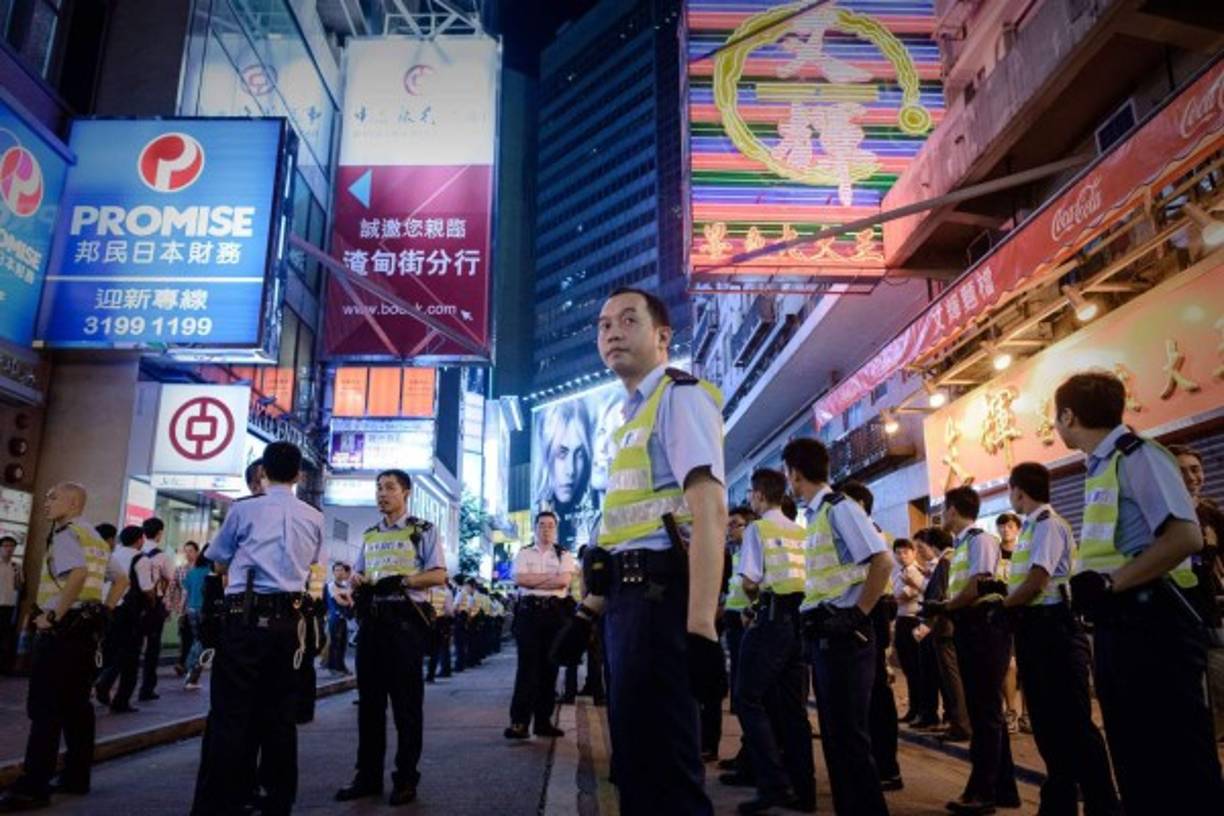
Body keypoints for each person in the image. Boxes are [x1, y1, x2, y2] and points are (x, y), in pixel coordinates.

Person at [563, 287, 725, 815]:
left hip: (660, 608)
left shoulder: (679, 397)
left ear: (662, 336)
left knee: (667, 774)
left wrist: (701, 629)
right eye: (603, 324)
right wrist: (589, 610)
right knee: (634, 764)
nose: (611, 332)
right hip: (630, 606)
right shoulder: (628, 417)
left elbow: (709, 513)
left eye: (628, 320)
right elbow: (624, 536)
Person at [1056, 372, 1224, 811]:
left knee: (1180, 764)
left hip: (1157, 628)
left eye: (1058, 416)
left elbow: (1185, 537)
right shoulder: (1102, 465)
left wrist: (1112, 583)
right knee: (1135, 760)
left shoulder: (1138, 455)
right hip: (1122, 628)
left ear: (1068, 415)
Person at [190, 442, 324, 816]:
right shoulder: (313, 517)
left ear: (263, 471)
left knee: (231, 714)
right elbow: (313, 562)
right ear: (300, 475)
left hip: (245, 621)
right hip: (289, 625)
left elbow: (218, 559)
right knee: (280, 716)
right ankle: (278, 801)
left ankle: (220, 803)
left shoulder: (244, 509)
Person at [1001, 461, 1120, 815]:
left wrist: (1003, 604)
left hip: (1055, 631)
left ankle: (1104, 804)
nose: (1011, 496)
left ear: (1019, 490)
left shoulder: (1048, 525)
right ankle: (1060, 800)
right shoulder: (1031, 528)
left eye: (1011, 490)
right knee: (1049, 725)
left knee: (1074, 724)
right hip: (1037, 631)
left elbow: (1038, 579)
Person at [783, 438, 893, 816]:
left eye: (789, 475)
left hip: (848, 637)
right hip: (826, 637)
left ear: (794, 474)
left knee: (849, 739)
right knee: (835, 738)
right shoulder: (815, 517)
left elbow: (882, 562)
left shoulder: (839, 508)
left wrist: (858, 614)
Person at [336, 469, 446, 806]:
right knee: (369, 706)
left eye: (390, 488)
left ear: (406, 493)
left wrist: (404, 582)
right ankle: (367, 776)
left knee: (406, 708)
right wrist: (354, 583)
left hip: (404, 624)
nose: (382, 494)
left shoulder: (423, 530)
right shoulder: (369, 534)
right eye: (379, 488)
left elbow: (439, 574)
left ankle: (405, 779)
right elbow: (360, 573)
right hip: (372, 623)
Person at [0, 483, 111, 811]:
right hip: (86, 633)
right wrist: (104, 611)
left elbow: (76, 574)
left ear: (73, 502)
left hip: (62, 633)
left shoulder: (66, 534)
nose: (47, 503)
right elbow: (119, 580)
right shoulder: (96, 539)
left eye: (53, 497)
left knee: (46, 709)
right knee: (77, 707)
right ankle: (77, 777)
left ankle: (34, 786)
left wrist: (53, 615)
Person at [731, 468, 815, 813]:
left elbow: (750, 580)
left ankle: (772, 785)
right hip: (799, 621)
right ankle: (803, 789)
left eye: (751, 493)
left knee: (748, 698)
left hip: (771, 618)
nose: (750, 499)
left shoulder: (759, 528)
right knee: (792, 708)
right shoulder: (800, 530)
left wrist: (752, 603)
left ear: (760, 495)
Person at [935, 486, 1019, 814]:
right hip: (971, 627)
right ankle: (1004, 788)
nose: (943, 515)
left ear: (954, 509)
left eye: (944, 509)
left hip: (985, 628)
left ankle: (981, 792)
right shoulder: (961, 546)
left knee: (984, 713)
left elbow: (979, 583)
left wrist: (945, 606)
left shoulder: (979, 540)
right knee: (988, 712)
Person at [840, 480, 903, 794]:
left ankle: (886, 767)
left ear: (860, 505)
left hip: (871, 611)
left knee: (875, 690)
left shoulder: (869, 532)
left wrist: (857, 613)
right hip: (866, 610)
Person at [1169, 443, 1224, 741]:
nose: (1192, 477)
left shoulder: (1211, 512)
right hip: (1177, 616)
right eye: (1181, 471)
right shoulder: (1163, 515)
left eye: (1196, 469)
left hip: (1212, 612)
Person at [505, 511, 576, 739]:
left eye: (550, 525)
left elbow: (564, 581)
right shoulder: (524, 552)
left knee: (549, 668)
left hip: (555, 614)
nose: (546, 529)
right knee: (526, 668)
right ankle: (519, 723)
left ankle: (543, 722)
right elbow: (519, 579)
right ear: (535, 528)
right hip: (528, 615)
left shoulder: (564, 554)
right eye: (542, 525)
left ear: (556, 529)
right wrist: (549, 579)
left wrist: (535, 579)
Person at [913, 527, 970, 740]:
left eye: (922, 546)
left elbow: (939, 596)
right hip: (951, 626)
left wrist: (925, 621)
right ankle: (958, 722)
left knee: (951, 680)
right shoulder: (953, 559)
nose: (921, 551)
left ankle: (960, 725)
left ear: (933, 545)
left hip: (945, 628)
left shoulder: (945, 562)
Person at [94, 525, 153, 713]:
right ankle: (121, 700)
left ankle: (100, 683)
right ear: (139, 540)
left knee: (109, 651)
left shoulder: (112, 554)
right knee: (130, 657)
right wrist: (151, 604)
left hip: (108, 607)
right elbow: (147, 588)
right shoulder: (140, 558)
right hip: (129, 613)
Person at [535, 399, 593, 545]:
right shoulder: (536, 516)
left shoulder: (594, 521)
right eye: (562, 453)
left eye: (579, 454)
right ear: (546, 453)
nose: (571, 470)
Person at [137, 517, 174, 701]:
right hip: (154, 606)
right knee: (152, 648)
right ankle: (146, 688)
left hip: (135, 605)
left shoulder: (136, 552)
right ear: (159, 533)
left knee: (131, 646)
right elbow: (170, 579)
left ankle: (107, 682)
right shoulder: (163, 556)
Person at [994, 513, 1023, 735]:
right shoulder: (994, 553)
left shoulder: (1026, 550)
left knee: (1029, 665)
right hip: (1003, 614)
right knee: (1009, 665)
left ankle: (1028, 718)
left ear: (1017, 529)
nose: (1006, 530)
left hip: (1026, 611)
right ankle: (1011, 711)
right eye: (1002, 526)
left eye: (1010, 526)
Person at [892, 538, 924, 725]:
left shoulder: (915, 572)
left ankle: (918, 709)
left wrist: (890, 600)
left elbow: (902, 597)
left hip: (912, 622)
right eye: (898, 552)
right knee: (909, 670)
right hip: (902, 621)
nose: (902, 556)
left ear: (914, 553)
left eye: (905, 552)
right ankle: (914, 708)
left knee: (914, 669)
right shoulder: (900, 573)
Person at [182, 547, 213, 690]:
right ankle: (192, 675)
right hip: (204, 609)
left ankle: (189, 670)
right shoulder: (210, 573)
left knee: (197, 639)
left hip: (191, 609)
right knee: (204, 642)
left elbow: (186, 590)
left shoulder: (192, 571)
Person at [172, 541, 200, 677]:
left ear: (197, 552)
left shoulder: (203, 570)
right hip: (185, 608)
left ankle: (190, 666)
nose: (188, 554)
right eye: (186, 551)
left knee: (197, 638)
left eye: (191, 551)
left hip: (198, 608)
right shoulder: (180, 569)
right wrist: (175, 605)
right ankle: (183, 664)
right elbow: (173, 587)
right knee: (185, 636)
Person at [325, 562, 354, 675]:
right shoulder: (331, 585)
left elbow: (349, 598)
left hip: (343, 618)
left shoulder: (344, 585)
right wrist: (349, 600)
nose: (339, 572)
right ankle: (333, 668)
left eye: (341, 570)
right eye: (337, 570)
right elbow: (340, 601)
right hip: (335, 617)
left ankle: (341, 667)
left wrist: (348, 598)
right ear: (333, 572)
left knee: (342, 644)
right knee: (335, 644)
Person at [0, 535, 22, 675]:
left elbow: (19, 587)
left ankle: (3, 667)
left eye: (12, 546)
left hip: (9, 606)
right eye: (6, 546)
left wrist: (18, 575)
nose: (9, 549)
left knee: (5, 636)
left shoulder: (16, 566)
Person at [425, 577, 454, 683]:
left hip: (424, 622)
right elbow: (449, 611)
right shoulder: (445, 593)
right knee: (435, 650)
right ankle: (430, 675)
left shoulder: (426, 590)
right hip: (439, 622)